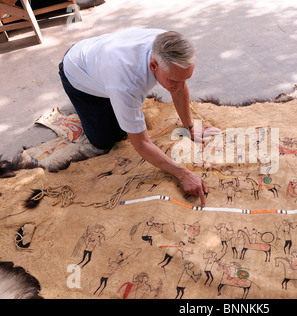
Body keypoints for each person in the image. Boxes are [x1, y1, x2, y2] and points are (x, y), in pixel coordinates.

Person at [58, 28, 220, 207]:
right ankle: (94, 106)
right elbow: (141, 143)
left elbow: (180, 88)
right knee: (106, 140)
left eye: (186, 78)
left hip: (102, 62)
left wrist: (189, 127)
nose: (181, 86)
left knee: (126, 115)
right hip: (77, 73)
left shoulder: (168, 44)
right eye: (173, 80)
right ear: (153, 66)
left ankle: (115, 104)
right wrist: (184, 173)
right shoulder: (126, 83)